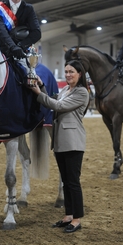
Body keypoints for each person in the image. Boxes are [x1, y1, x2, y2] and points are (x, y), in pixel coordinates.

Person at [31, 60, 89, 233]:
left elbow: (59, 106)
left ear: (79, 74)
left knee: (73, 182)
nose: (68, 74)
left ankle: (77, 219)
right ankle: (68, 216)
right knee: (66, 181)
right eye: (66, 71)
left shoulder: (82, 93)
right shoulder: (65, 90)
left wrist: (37, 94)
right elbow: (54, 99)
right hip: (60, 142)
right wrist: (41, 87)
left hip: (73, 142)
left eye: (72, 71)